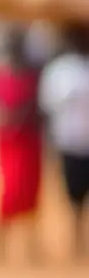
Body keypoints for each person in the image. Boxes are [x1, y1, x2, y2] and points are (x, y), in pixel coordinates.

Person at [0, 27, 45, 264]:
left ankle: (32, 247)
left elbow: (37, 108)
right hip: (9, 140)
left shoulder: (33, 76)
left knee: (30, 190)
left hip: (28, 140)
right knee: (10, 190)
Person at [40, 21, 89, 260]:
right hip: (70, 140)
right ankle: (75, 239)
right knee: (73, 193)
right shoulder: (60, 71)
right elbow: (48, 105)